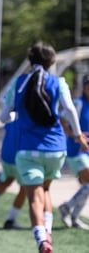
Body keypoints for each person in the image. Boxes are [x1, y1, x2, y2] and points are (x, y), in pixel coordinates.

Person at [0, 41, 89, 253]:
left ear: (30, 60)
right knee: (45, 190)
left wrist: (15, 115)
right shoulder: (58, 83)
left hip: (27, 149)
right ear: (52, 61)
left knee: (34, 197)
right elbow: (70, 111)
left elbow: (4, 117)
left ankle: (42, 239)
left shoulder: (19, 83)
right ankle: (48, 233)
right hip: (56, 149)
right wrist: (78, 136)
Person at [58, 74, 89, 230]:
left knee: (86, 186)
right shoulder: (77, 103)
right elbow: (62, 119)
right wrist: (73, 135)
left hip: (87, 152)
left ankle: (74, 216)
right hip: (76, 151)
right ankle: (67, 207)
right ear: (84, 87)